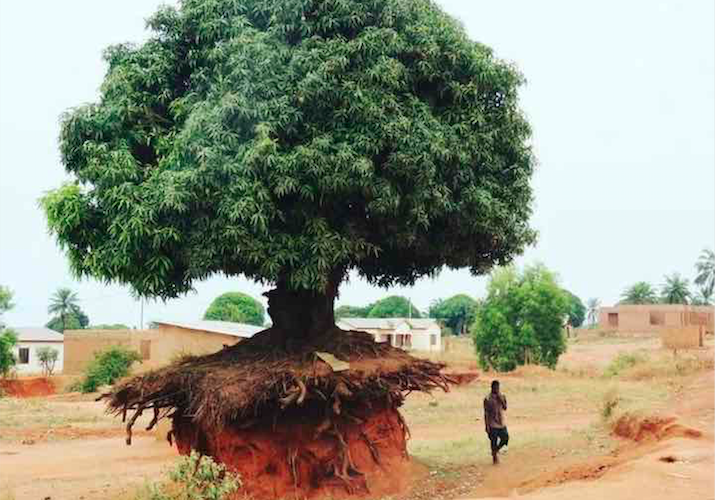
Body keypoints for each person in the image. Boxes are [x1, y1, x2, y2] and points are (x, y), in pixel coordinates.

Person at [484, 380, 509, 464]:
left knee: (505, 438)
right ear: (491, 387)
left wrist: (500, 398)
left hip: (501, 423)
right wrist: (487, 426)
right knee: (493, 441)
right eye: (495, 387)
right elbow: (486, 413)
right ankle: (495, 457)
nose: (496, 389)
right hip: (492, 424)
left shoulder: (502, 396)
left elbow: (505, 407)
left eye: (498, 387)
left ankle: (495, 451)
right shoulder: (487, 399)